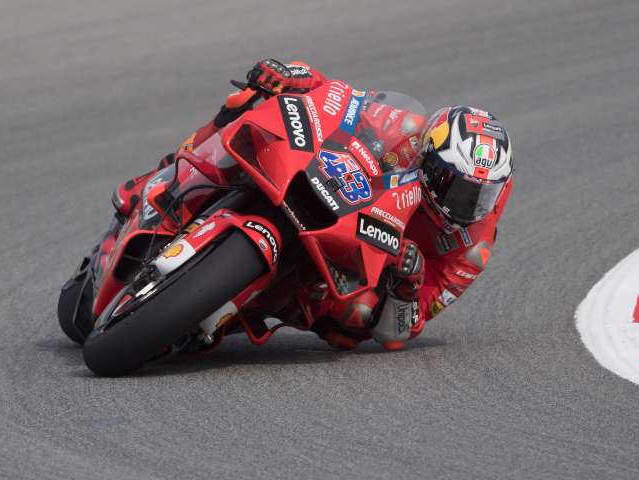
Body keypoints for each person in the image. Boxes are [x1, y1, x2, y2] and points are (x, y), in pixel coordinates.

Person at [111, 59, 514, 351]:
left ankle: (237, 306)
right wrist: (295, 76)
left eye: (483, 194)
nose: (468, 205)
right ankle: (159, 176)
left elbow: (405, 329)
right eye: (458, 188)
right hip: (333, 191)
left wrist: (408, 285)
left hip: (359, 262)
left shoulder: (471, 249)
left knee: (354, 321)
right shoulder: (406, 129)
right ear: (430, 157)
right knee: (245, 103)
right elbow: (343, 100)